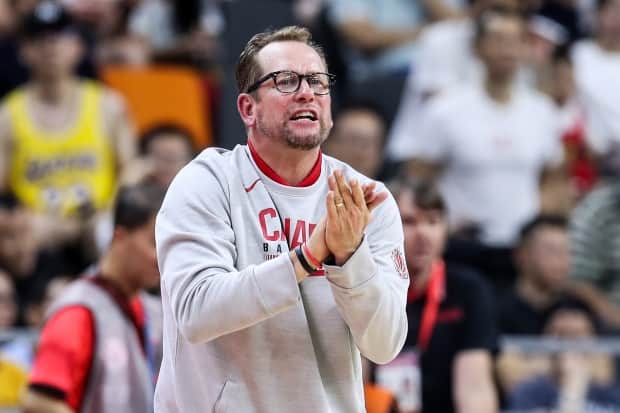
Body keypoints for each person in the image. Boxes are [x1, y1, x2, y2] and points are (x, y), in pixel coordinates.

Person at [154, 25, 409, 412]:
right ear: (247, 109)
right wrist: (307, 258)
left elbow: (385, 343)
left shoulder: (366, 200)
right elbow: (196, 312)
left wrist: (350, 258)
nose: (307, 92)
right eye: (286, 81)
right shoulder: (207, 182)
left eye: (317, 82)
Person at [0, 0, 136, 257]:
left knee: (107, 232)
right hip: (39, 237)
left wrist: (109, 212)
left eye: (60, 37)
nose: (51, 46)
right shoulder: (8, 114)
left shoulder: (108, 105)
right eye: (40, 39)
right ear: (24, 51)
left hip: (100, 227)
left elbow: (131, 170)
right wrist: (17, 222)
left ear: (78, 47)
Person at [22, 183, 166, 413]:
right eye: (155, 242)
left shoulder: (154, 310)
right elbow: (40, 403)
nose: (163, 256)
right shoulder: (77, 311)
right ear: (120, 236)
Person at [376, 177, 497, 413]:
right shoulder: (367, 284)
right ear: (383, 224)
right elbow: (352, 384)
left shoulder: (468, 290)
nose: (423, 233)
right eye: (409, 222)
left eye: (433, 222)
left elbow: (475, 389)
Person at [507, 299, 620, 413]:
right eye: (561, 336)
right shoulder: (529, 392)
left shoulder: (610, 394)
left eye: (577, 336)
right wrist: (573, 388)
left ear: (594, 341)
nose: (568, 346)